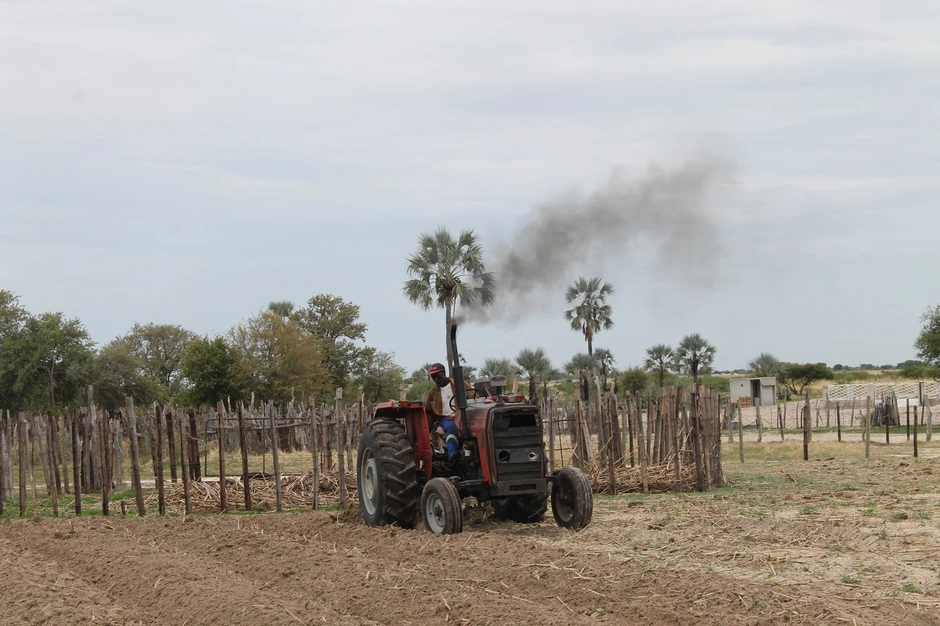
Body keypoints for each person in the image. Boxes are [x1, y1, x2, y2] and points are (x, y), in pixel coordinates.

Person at [424, 363, 461, 458]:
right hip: (446, 419)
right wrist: (426, 432)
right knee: (451, 427)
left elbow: (474, 396)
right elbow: (429, 412)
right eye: (434, 377)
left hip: (462, 415)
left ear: (444, 373)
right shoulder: (432, 393)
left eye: (438, 376)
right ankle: (453, 454)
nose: (436, 379)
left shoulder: (458, 385)